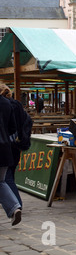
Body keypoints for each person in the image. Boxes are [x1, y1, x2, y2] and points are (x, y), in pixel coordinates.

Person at [0, 84, 32, 207]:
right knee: (10, 173)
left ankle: (16, 204)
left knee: (5, 178)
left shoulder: (5, 105)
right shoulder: (17, 104)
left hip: (7, 144)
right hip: (16, 143)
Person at [0, 94, 22, 226]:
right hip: (4, 149)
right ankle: (14, 208)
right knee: (1, 181)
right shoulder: (7, 103)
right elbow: (13, 128)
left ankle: (14, 207)